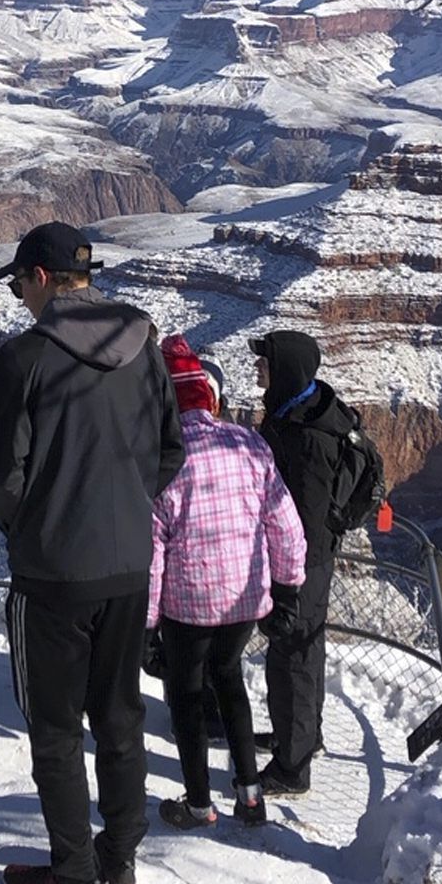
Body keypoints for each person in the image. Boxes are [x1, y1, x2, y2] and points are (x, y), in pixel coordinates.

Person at [0, 221, 185, 884]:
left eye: (17, 285)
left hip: (54, 574)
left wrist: (29, 528)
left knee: (57, 731)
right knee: (120, 717)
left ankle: (72, 883)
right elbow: (170, 451)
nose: (17, 300)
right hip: (130, 565)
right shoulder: (143, 347)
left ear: (38, 277)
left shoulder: (22, 360)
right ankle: (119, 864)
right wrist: (125, 510)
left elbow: (2, 476)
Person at [149, 335, 305, 832]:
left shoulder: (161, 462)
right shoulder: (249, 442)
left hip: (187, 609)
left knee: (189, 700)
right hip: (244, 602)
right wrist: (289, 588)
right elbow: (285, 523)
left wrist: (146, 624)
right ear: (209, 397)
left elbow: (152, 554)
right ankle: (251, 797)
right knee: (231, 682)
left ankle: (198, 806)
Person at [251, 328, 350, 796]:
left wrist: (286, 583)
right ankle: (301, 738)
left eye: (265, 363)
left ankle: (292, 768)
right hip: (303, 560)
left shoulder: (309, 438)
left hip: (302, 563)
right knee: (303, 651)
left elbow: (306, 523)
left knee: (291, 655)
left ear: (285, 370)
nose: (257, 370)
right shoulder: (297, 413)